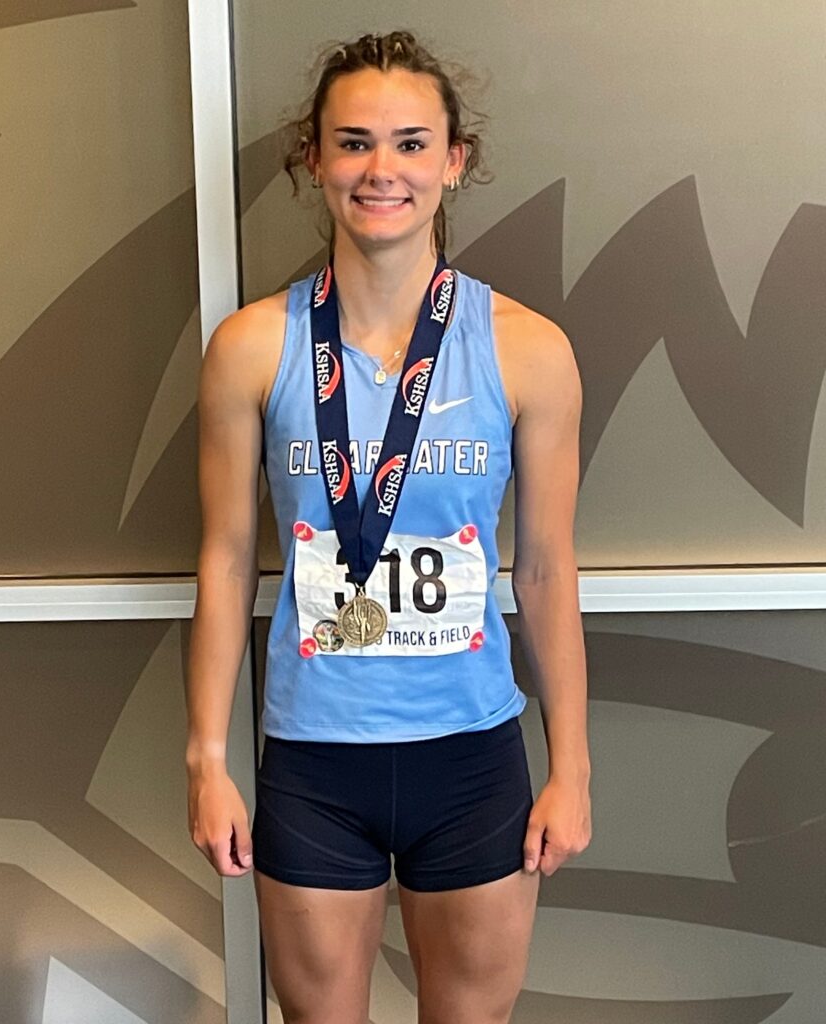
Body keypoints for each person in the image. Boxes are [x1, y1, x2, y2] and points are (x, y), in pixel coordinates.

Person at [186, 29, 591, 1024]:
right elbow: (227, 561)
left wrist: (571, 764)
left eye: (411, 144)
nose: (382, 170)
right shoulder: (251, 348)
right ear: (314, 159)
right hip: (315, 761)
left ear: (453, 162)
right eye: (354, 142)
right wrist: (206, 758)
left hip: (472, 757)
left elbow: (545, 569)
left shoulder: (528, 350)